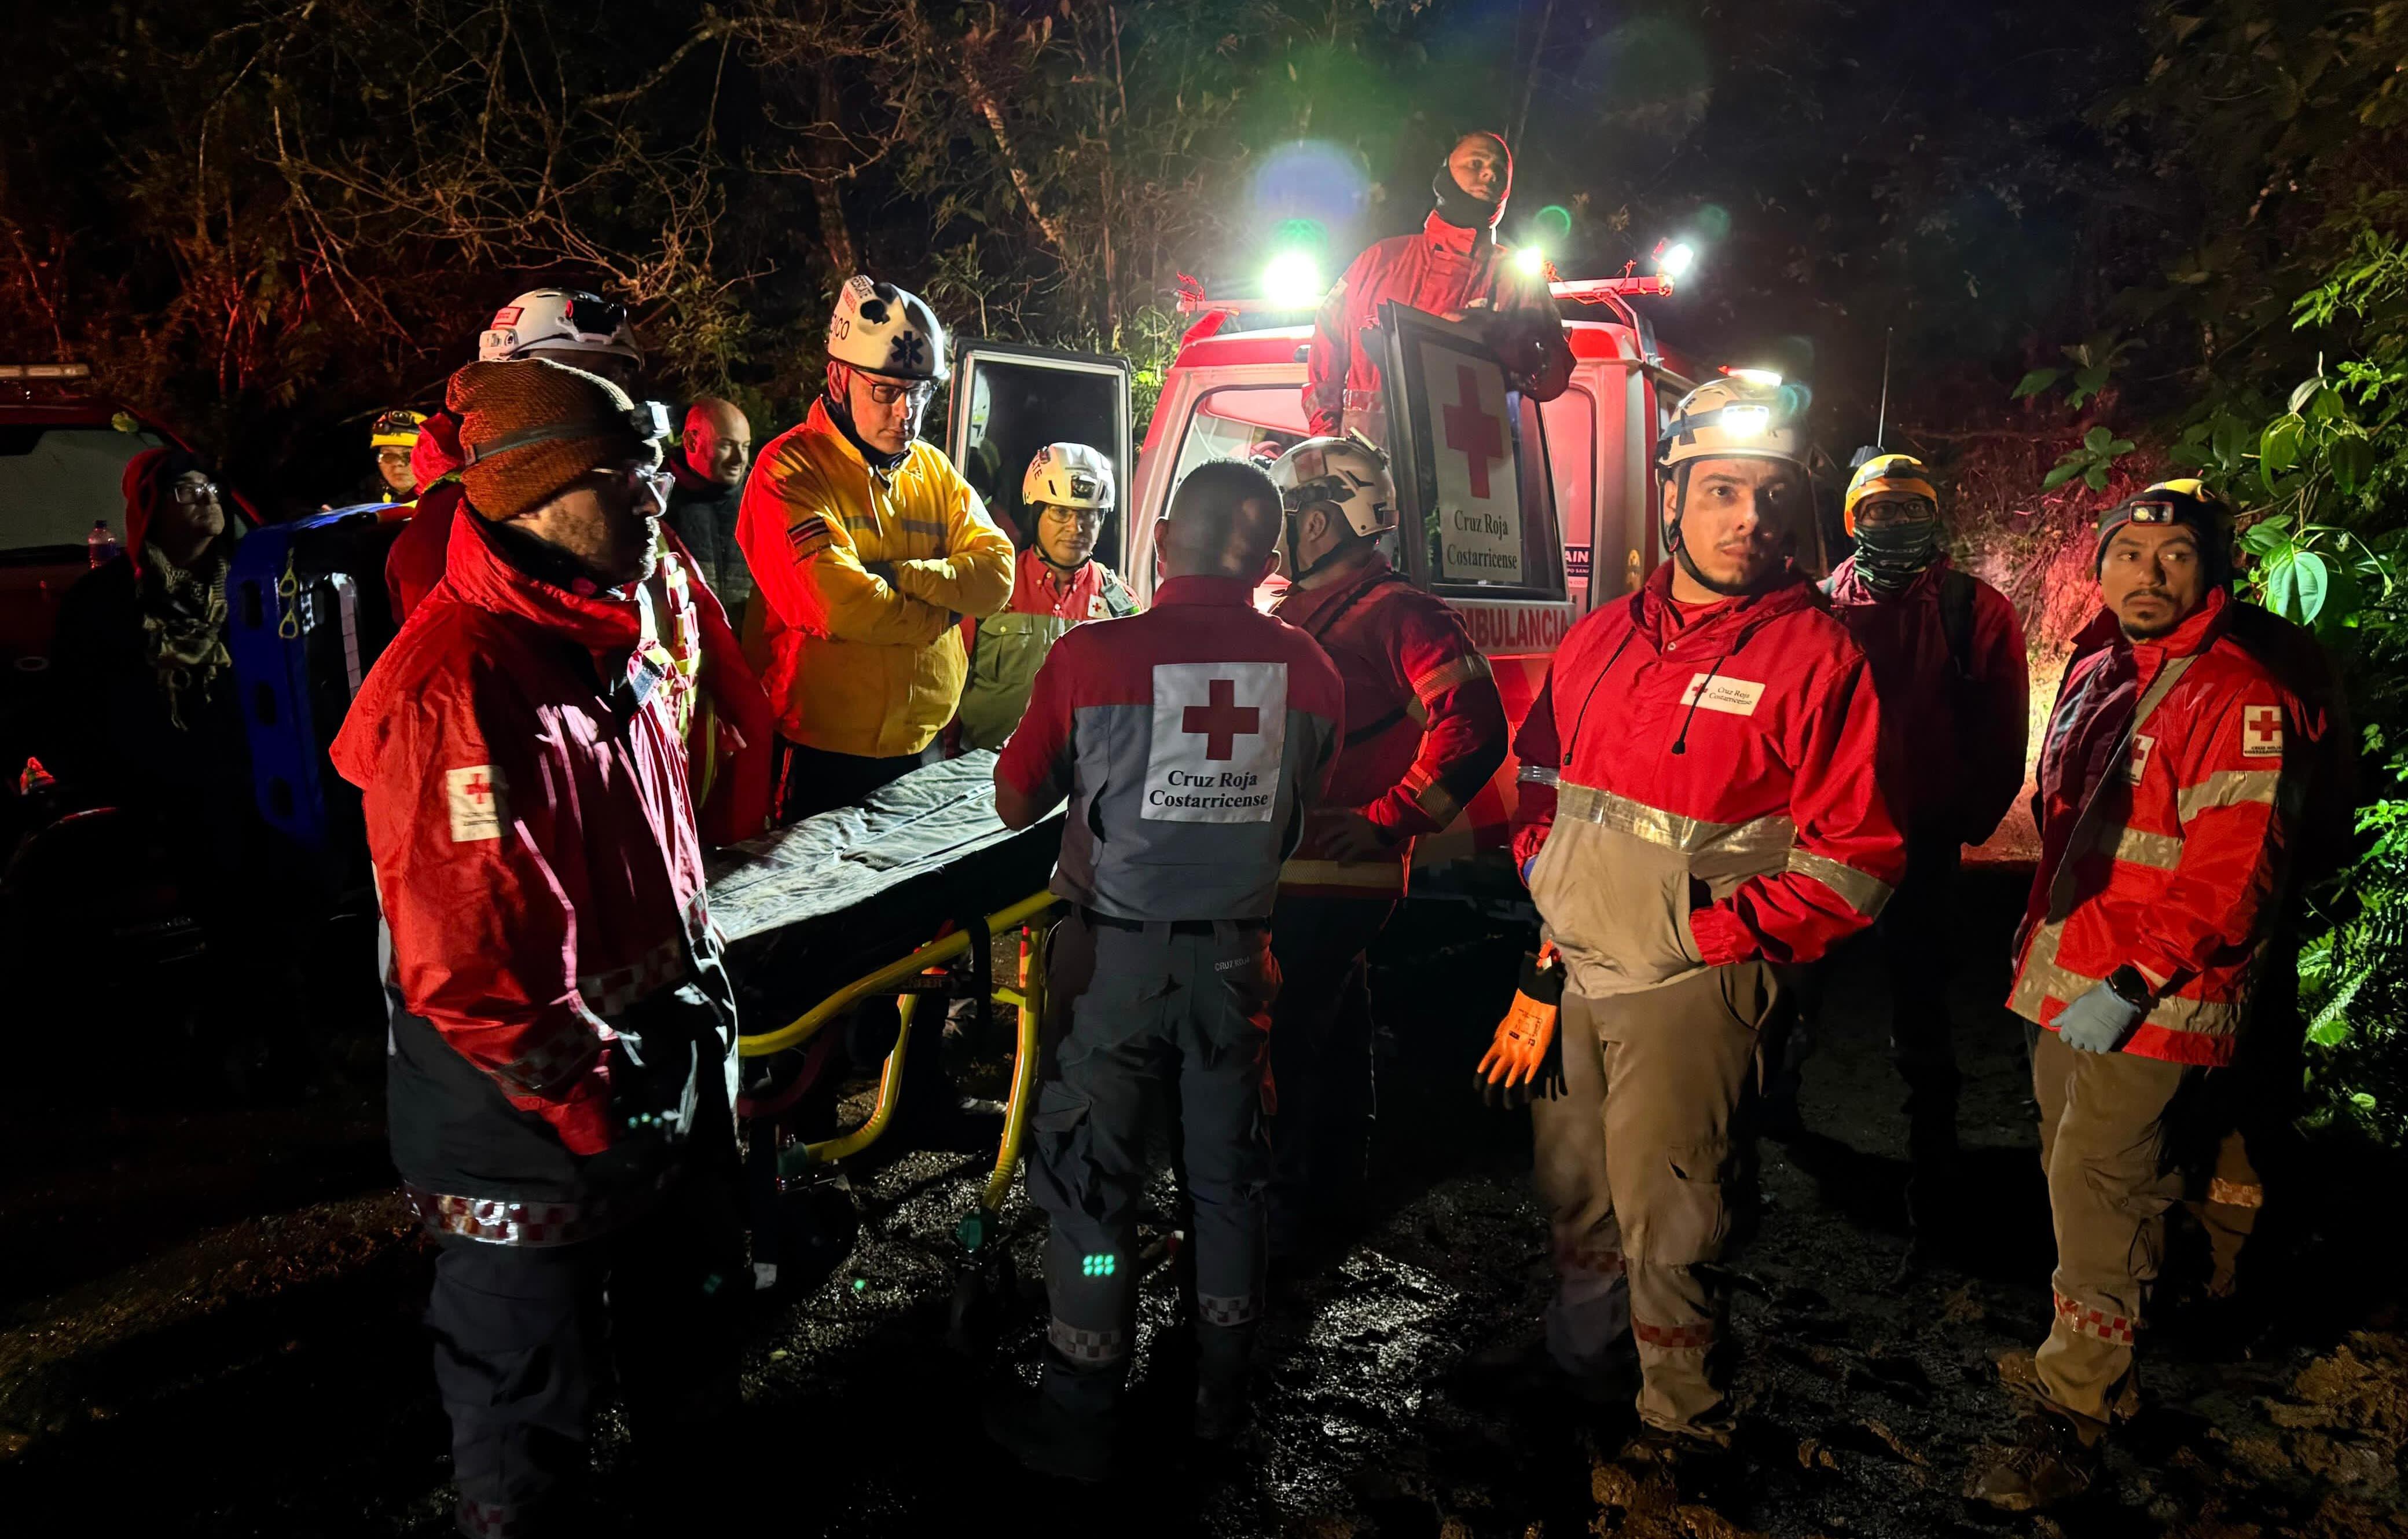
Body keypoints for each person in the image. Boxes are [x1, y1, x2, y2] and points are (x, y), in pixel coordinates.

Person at [331, 359, 744, 1537]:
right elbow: (473, 957)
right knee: (527, 1425)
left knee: (693, 1353)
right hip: (533, 1132)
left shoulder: (599, 635)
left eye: (657, 468)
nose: (658, 495)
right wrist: (594, 1095)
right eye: (628, 475)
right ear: (535, 494)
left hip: (647, 1088)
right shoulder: (458, 683)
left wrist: (690, 1050)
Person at [1502, 373, 1904, 1483]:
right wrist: (1553, 900)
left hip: (1694, 984)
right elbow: (1539, 786)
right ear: (1673, 494)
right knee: (1575, 1188)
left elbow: (1856, 861)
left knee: (1677, 1203)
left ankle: (1683, 1416)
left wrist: (1707, 936)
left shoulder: (1820, 657)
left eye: (1772, 495)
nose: (1750, 518)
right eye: (1722, 488)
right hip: (1576, 971)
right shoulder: (1599, 640)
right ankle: (1583, 1368)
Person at [983, 459, 1345, 1480]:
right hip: (1240, 963)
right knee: (1229, 1185)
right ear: (1269, 561)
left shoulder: (1092, 657)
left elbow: (1015, 804)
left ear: (1159, 548)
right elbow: (1305, 806)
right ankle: (1218, 1396)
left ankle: (1082, 1407)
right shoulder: (1312, 669)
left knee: (1096, 1190)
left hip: (1113, 970)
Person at [1973, 481, 2307, 1511]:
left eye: (2173, 556)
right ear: (2101, 565)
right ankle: (2103, 1349)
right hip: (2072, 979)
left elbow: (2232, 871)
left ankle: (2074, 1412)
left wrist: (2135, 977)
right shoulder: (2101, 669)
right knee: (2081, 1178)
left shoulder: (2236, 693)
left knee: (2100, 1183)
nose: (2148, 575)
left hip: (2148, 993)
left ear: (2212, 571)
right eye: (2130, 554)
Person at [1261, 434, 1507, 1255]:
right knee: (1334, 1034)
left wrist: (1388, 816)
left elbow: (1474, 726)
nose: (1275, 533)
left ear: (1325, 525)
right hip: (1308, 876)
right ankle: (1332, 1195)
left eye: (1287, 515)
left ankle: (1282, 1217)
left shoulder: (1401, 611)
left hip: (1333, 875)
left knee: (1287, 1044)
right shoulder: (1310, 605)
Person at [1802, 453, 2028, 1236]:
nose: (1895, 525)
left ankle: (1934, 1139)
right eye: (1879, 511)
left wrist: (1967, 816)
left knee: (1920, 984)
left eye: (1910, 510)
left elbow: (2003, 723)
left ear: (1935, 517)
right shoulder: (1817, 604)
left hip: (1922, 829)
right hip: (1824, 829)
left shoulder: (1973, 608)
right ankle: (1771, 1115)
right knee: (1798, 974)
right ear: (1852, 520)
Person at [737, 275, 1014, 820]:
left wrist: (901, 575)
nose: (906, 413)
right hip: (819, 757)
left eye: (920, 393)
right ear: (838, 377)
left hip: (925, 750)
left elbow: (998, 576)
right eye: (885, 391)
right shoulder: (788, 469)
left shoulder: (934, 470)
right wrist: (945, 611)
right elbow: (839, 606)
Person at [1303, 131, 1572, 445]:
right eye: (1475, 162)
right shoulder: (1379, 260)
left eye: (1500, 170)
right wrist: (1326, 442)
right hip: (1366, 473)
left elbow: (1554, 376)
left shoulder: (1519, 278)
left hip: (1472, 474)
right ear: (1445, 173)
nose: (1489, 173)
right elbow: (1326, 348)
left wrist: (1509, 345)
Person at [953, 441, 1139, 752]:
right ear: (1036, 513)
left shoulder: (1120, 605)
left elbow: (1134, 699)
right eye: (1061, 512)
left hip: (1078, 781)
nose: (1075, 527)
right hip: (982, 773)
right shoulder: (992, 585)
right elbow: (951, 681)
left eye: (1089, 515)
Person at [663, 397, 756, 632]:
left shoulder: (760, 495)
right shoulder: (656, 500)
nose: (739, 459)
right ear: (691, 442)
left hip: (752, 651)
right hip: (686, 653)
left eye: (745, 447)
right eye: (727, 445)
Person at [368, 408, 427, 505]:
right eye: (389, 456)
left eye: (410, 455)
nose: (398, 463)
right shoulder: (364, 497)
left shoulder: (454, 502)